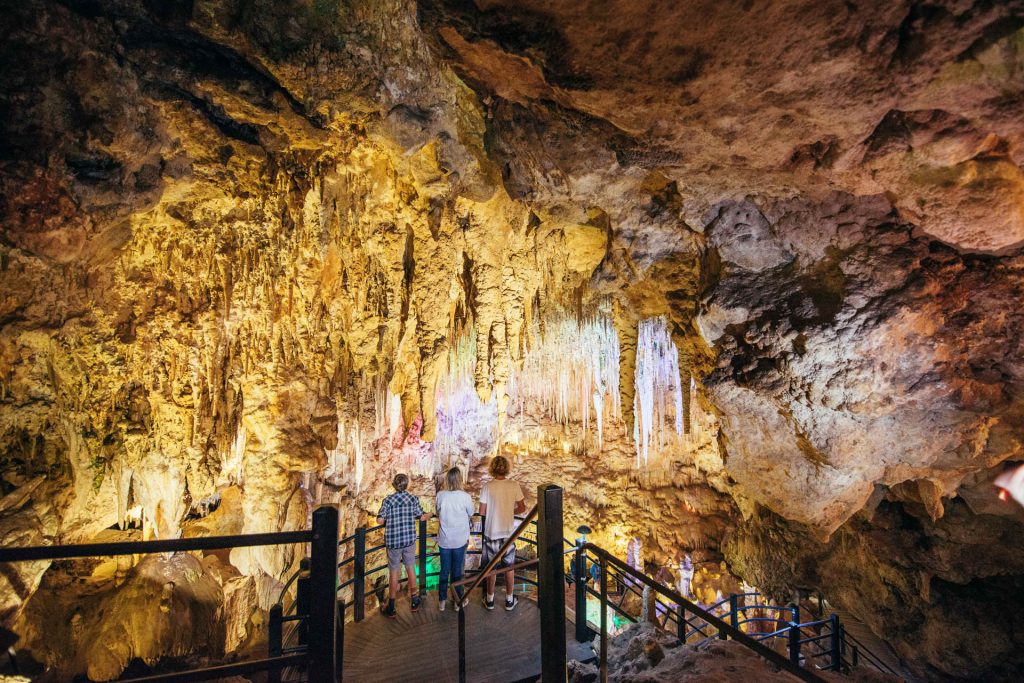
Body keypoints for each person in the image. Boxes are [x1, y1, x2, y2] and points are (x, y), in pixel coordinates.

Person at [376, 473, 430, 618]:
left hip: (393, 541)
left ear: (394, 485)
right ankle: (414, 601)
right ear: (407, 485)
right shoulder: (412, 499)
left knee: (394, 571)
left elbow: (380, 521)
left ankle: (391, 606)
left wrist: (389, 521)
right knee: (410, 567)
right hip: (408, 540)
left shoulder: (388, 500)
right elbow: (422, 516)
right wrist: (430, 514)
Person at [479, 455, 526, 611]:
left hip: (491, 532)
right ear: (507, 468)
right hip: (508, 533)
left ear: (492, 469)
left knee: (491, 568)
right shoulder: (514, 485)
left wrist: (494, 511)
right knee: (509, 567)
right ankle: (509, 600)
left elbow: (482, 511)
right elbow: (522, 508)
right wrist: (509, 511)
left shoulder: (487, 486)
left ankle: (490, 599)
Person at [435, 466, 474, 611]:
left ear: (447, 480)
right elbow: (471, 512)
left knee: (444, 570)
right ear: (459, 479)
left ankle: (442, 601)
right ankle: (458, 601)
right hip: (459, 540)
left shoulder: (441, 495)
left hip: (444, 540)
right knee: (457, 571)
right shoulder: (465, 496)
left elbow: (437, 512)